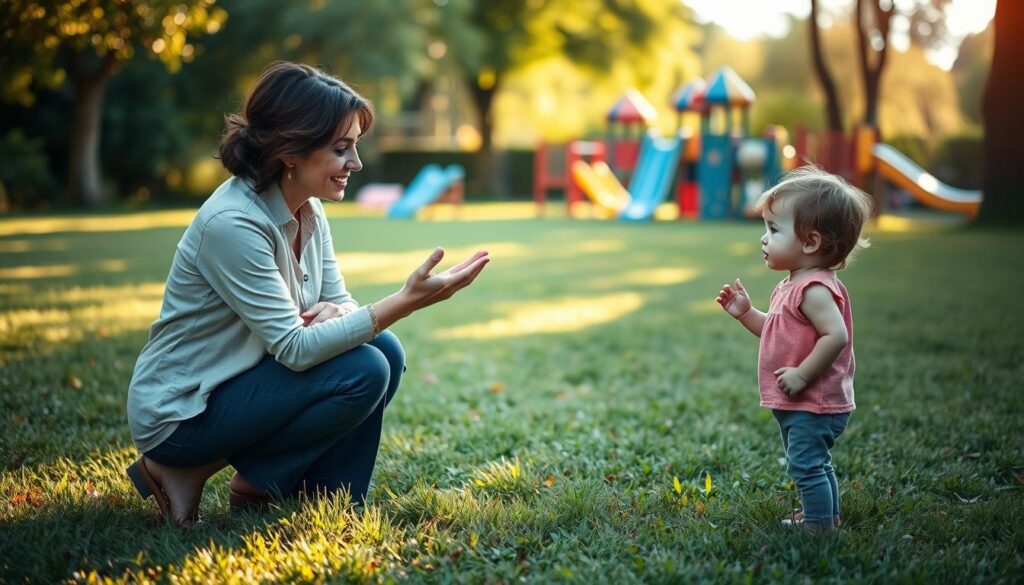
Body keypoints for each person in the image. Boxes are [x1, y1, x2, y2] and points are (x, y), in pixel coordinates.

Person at [125, 61, 490, 528]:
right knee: (365, 367)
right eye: (342, 149)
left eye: (354, 147)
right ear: (290, 151)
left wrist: (342, 313)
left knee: (384, 351)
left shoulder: (310, 209)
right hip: (181, 412)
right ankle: (198, 470)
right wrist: (405, 300)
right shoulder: (234, 223)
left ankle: (321, 501)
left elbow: (342, 306)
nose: (355, 164)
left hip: (241, 383)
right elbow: (295, 350)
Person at [715, 166, 871, 533]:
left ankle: (818, 527)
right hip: (801, 400)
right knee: (815, 462)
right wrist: (746, 314)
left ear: (810, 242)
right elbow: (778, 332)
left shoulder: (814, 290)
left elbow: (836, 336)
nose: (764, 239)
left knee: (805, 464)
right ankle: (824, 516)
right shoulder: (793, 284)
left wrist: (803, 374)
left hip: (813, 400)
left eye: (773, 229)